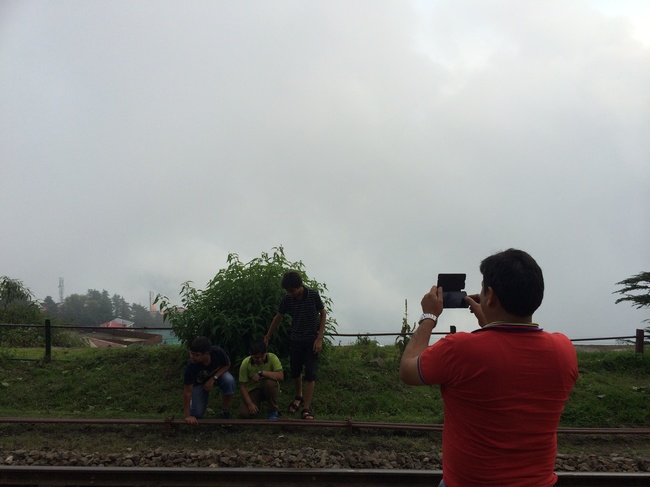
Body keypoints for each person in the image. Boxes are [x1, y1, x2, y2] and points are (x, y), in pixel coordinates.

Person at [399, 249, 578, 487]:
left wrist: (429, 315)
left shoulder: (460, 349)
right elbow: (507, 353)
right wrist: (490, 320)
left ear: (490, 296)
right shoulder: (563, 350)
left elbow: (408, 370)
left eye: (483, 289)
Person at [264, 271, 326, 420]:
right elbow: (278, 317)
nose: (290, 293)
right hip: (296, 340)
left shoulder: (313, 295)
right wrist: (267, 336)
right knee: (295, 371)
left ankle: (306, 408)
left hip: (311, 341)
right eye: (288, 291)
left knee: (310, 374)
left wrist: (319, 338)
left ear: (300, 286)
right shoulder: (287, 299)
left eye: (292, 290)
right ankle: (299, 396)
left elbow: (323, 313)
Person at [183, 336, 236, 424]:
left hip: (217, 376)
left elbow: (227, 364)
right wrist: (187, 415)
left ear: (206, 354)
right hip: (199, 383)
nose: (192, 357)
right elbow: (187, 391)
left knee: (229, 380)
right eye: (191, 354)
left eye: (196, 355)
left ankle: (225, 411)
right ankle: (193, 403)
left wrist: (213, 378)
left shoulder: (218, 352)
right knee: (197, 414)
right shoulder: (191, 366)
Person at [238, 340, 285, 420]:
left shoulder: (272, 358)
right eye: (256, 358)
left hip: (268, 387)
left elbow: (280, 376)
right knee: (244, 414)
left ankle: (273, 410)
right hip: (253, 390)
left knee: (270, 383)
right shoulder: (245, 363)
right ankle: (256, 404)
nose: (260, 360)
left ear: (266, 352)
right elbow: (242, 386)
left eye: (262, 356)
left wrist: (262, 373)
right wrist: (250, 404)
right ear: (251, 354)